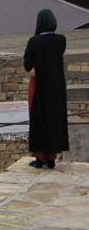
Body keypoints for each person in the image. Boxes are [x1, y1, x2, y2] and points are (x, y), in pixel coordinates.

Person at [23, 9, 69, 169]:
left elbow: (28, 65)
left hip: (39, 85)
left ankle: (39, 158)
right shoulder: (61, 40)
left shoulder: (34, 41)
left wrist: (41, 75)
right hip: (56, 86)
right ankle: (51, 158)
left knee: (37, 119)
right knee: (53, 120)